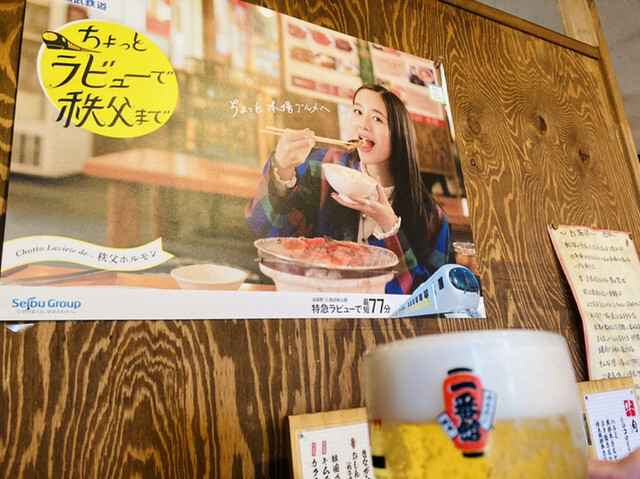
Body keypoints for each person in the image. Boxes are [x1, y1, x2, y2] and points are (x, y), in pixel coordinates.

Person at [245, 83, 450, 294]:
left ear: (400, 133)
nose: (363, 125)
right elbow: (270, 233)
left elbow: (432, 294)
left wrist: (389, 226)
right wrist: (282, 169)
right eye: (358, 112)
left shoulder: (430, 215)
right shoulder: (321, 166)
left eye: (377, 118)